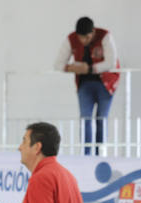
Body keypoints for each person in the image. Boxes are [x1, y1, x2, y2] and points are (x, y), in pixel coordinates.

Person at [55, 16, 119, 155]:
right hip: (84, 85)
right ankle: (86, 153)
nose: (84, 41)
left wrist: (89, 69)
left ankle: (100, 153)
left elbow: (111, 62)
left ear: (93, 32)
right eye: (81, 38)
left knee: (101, 119)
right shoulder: (71, 39)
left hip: (105, 84)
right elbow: (58, 64)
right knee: (85, 119)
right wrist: (73, 68)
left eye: (87, 37)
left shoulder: (105, 36)